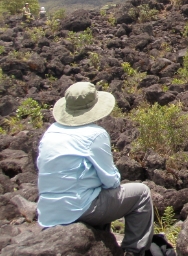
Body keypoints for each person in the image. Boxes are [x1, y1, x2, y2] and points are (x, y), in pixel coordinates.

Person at [37, 82, 154, 256]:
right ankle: (133, 251)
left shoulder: (51, 131)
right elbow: (111, 180)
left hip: (48, 212)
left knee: (94, 188)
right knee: (141, 194)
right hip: (79, 208)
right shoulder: (95, 134)